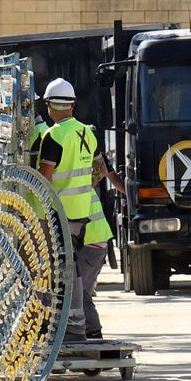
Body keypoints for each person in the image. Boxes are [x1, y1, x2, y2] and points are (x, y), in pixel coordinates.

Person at [36, 78, 124, 343]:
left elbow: (44, 177)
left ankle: (71, 329)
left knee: (61, 273)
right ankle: (77, 328)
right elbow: (102, 169)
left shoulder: (53, 136)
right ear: (72, 104)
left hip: (59, 214)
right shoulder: (88, 132)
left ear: (50, 106)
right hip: (81, 215)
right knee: (69, 272)